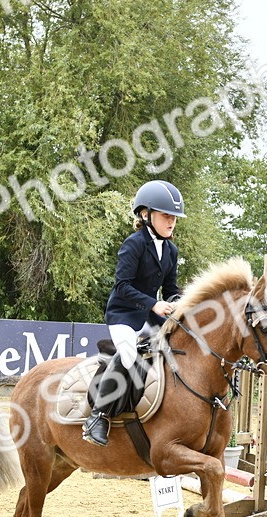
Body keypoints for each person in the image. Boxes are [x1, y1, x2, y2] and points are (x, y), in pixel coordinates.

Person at [83, 180, 184, 446]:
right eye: (165, 216)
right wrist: (154, 304)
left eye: (174, 217)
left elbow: (171, 289)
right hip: (123, 315)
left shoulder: (171, 250)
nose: (171, 222)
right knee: (130, 357)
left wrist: (182, 301)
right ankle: (97, 416)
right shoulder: (134, 244)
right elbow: (123, 286)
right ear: (145, 214)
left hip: (152, 317)